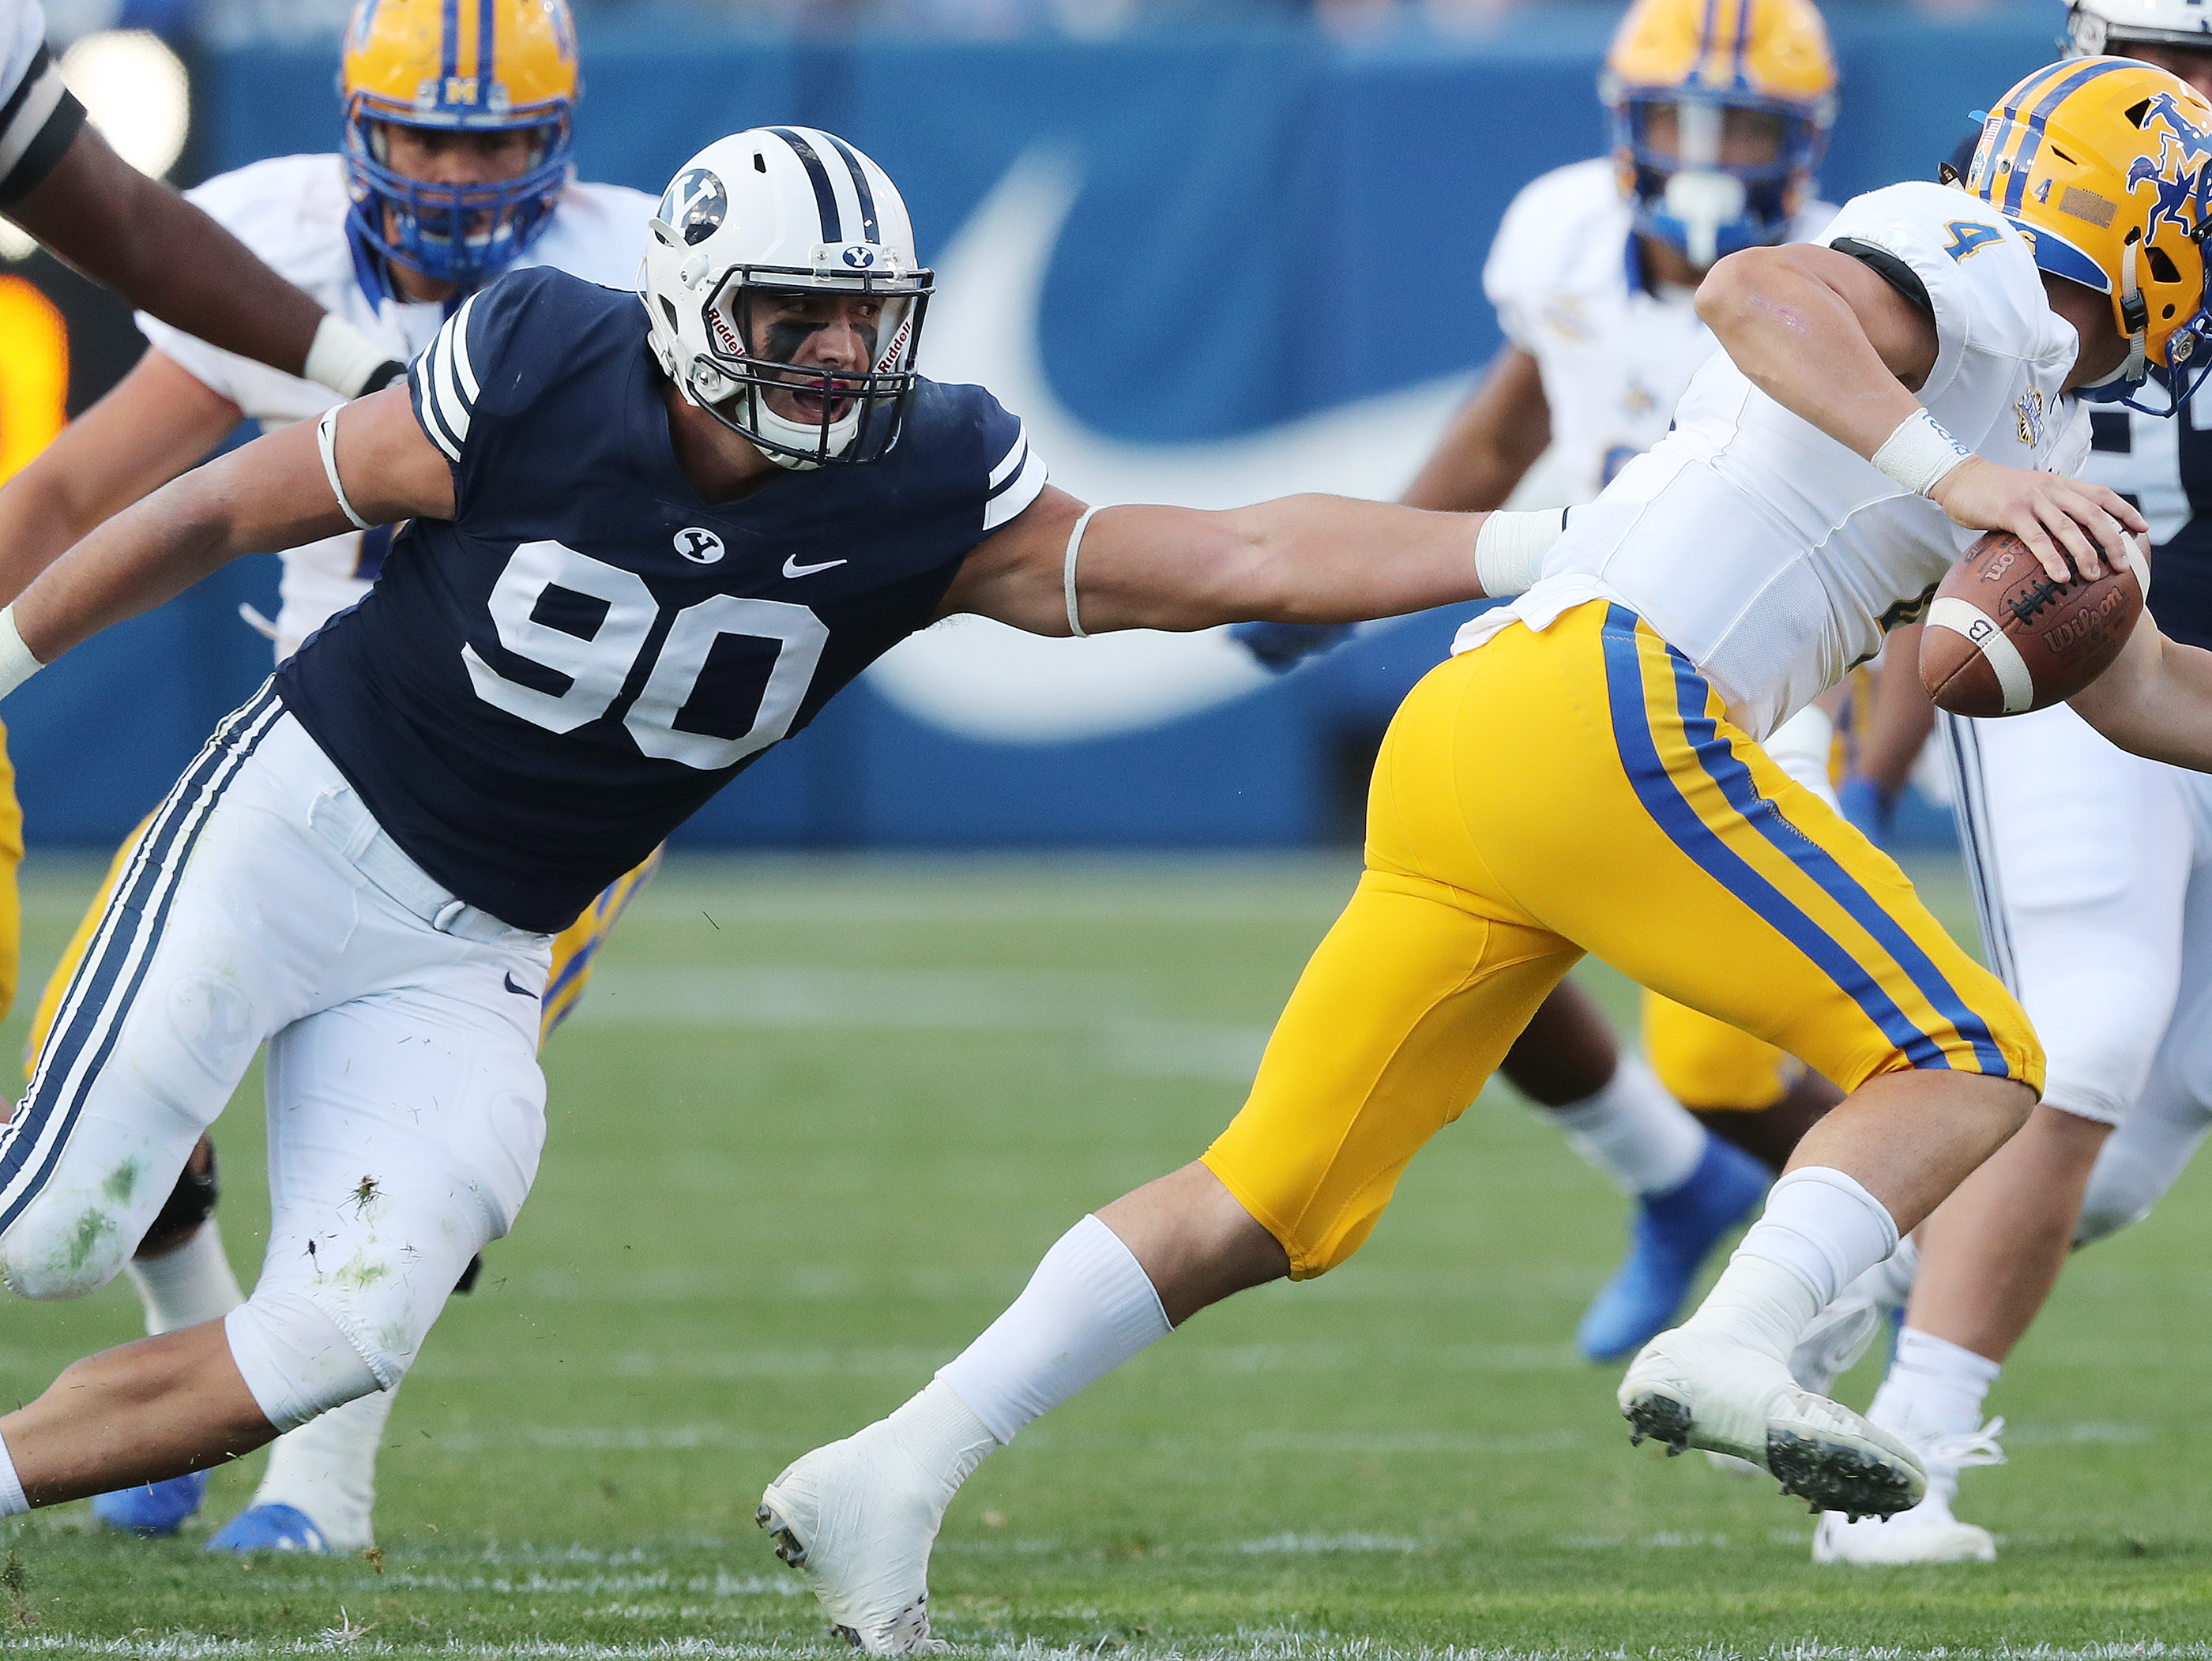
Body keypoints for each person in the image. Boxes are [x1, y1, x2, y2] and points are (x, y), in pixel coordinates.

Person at [757, 58, 2212, 1655]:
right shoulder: (1969, 262)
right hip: (1614, 698)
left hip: (1475, 727)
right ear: (2149, 224)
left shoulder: (2034, 406)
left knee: (1270, 1196)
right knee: (1964, 1052)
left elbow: (2145, 691)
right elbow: (1750, 289)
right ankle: (1734, 1337)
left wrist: (1983, 471)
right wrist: (1958, 476)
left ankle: (890, 1462)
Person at [0, 124, 1571, 1569]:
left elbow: (1237, 550)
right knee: (55, 1224)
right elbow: (211, 513)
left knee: (338, 1331)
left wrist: (1522, 542)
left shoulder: (924, 477)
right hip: (300, 820)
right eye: (793, 317)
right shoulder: (543, 357)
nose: (840, 357)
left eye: (869, 319)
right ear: (687, 303)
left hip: (485, 939)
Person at [0, 0, 659, 1554]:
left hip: (538, 784)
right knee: (83, 1069)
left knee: (383, 1154)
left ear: (556, 143)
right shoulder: (275, 235)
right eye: (422, 132)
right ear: (356, 124)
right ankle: (165, 1403)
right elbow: (92, 480)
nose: (449, 170)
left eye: (490, 138)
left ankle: (318, 1487)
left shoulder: (637, 273)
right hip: (313, 737)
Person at [1237, 0, 1919, 1369]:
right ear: (1622, 125)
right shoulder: (1561, 233)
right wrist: (1339, 582)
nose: (1712, 156)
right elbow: (1511, 421)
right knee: (1463, 911)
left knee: (1722, 1062)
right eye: (1684, 120)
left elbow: (1913, 553)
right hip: (1579, 637)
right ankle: (1677, 1186)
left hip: (1770, 688)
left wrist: (1876, 776)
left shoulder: (1854, 290)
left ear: (1810, 140)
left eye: (1747, 126)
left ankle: (1886, 1262)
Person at [1813, 0, 2212, 1567]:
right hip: (2069, 645)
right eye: (2168, 53)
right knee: (2091, 1034)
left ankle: (1838, 1260)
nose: (2187, 91)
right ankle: (1898, 1463)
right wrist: (1877, 737)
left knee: (2130, 1144)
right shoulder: (1990, 195)